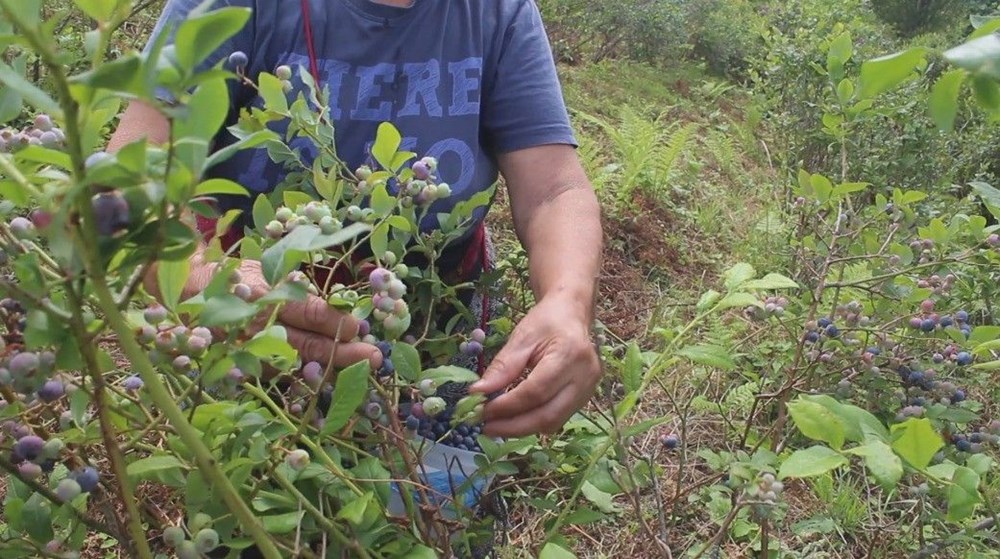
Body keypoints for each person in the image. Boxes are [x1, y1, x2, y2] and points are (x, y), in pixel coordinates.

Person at [109, 0, 603, 439]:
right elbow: (131, 172)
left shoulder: (500, 13)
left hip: (438, 312)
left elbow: (554, 190)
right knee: (265, 491)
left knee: (429, 478)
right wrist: (197, 277)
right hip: (256, 313)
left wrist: (568, 302)